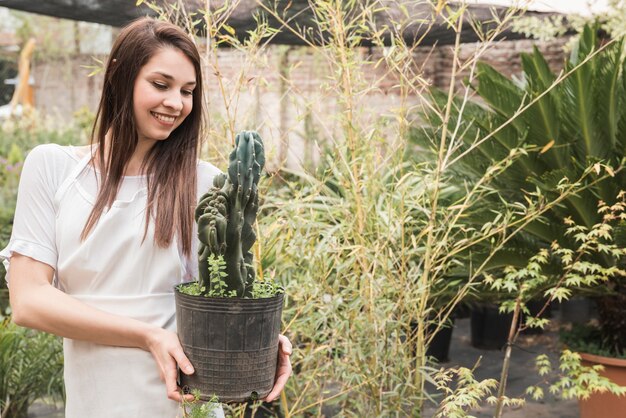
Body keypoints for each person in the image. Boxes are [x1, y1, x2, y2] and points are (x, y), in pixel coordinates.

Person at [0, 17, 292, 418]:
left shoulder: (205, 181)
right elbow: (29, 300)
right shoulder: (52, 168)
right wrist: (148, 336)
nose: (176, 102)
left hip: (183, 401)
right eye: (161, 84)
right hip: (96, 398)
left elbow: (222, 291)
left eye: (188, 91)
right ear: (120, 78)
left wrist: (261, 339)